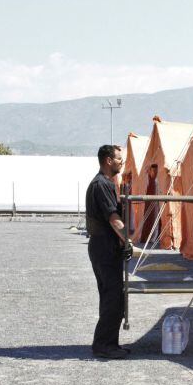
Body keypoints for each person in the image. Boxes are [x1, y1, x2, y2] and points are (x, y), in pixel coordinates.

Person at [86, 145, 133, 359]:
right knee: (112, 296)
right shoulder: (102, 185)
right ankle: (104, 345)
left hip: (107, 246)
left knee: (113, 295)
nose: (121, 162)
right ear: (108, 160)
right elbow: (114, 219)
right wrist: (129, 241)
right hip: (103, 246)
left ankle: (109, 343)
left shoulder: (106, 183)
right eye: (118, 159)